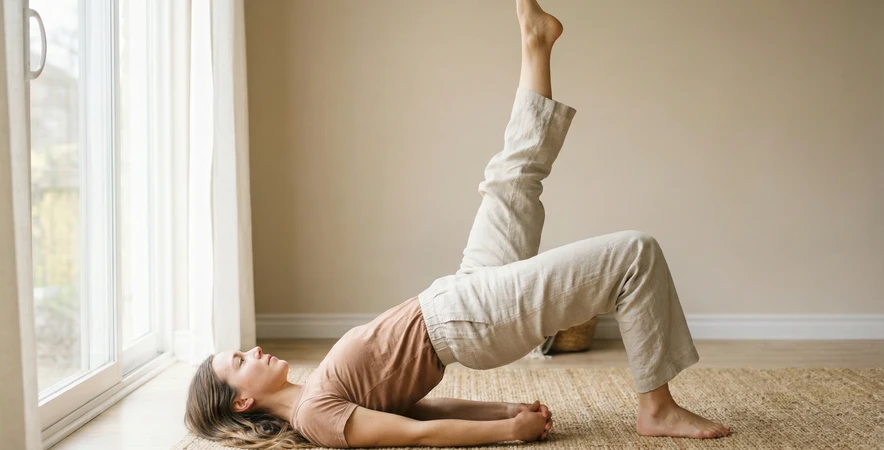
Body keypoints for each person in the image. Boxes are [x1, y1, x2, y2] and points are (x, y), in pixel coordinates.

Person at [185, 0, 732, 447]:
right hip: (464, 322)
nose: (252, 351)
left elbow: (421, 404)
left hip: (456, 301)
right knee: (633, 253)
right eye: (239, 360)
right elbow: (413, 433)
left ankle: (535, 42)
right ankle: (655, 407)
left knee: (512, 178)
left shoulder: (317, 396)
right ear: (240, 401)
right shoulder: (315, 417)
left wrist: (500, 409)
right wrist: (504, 432)